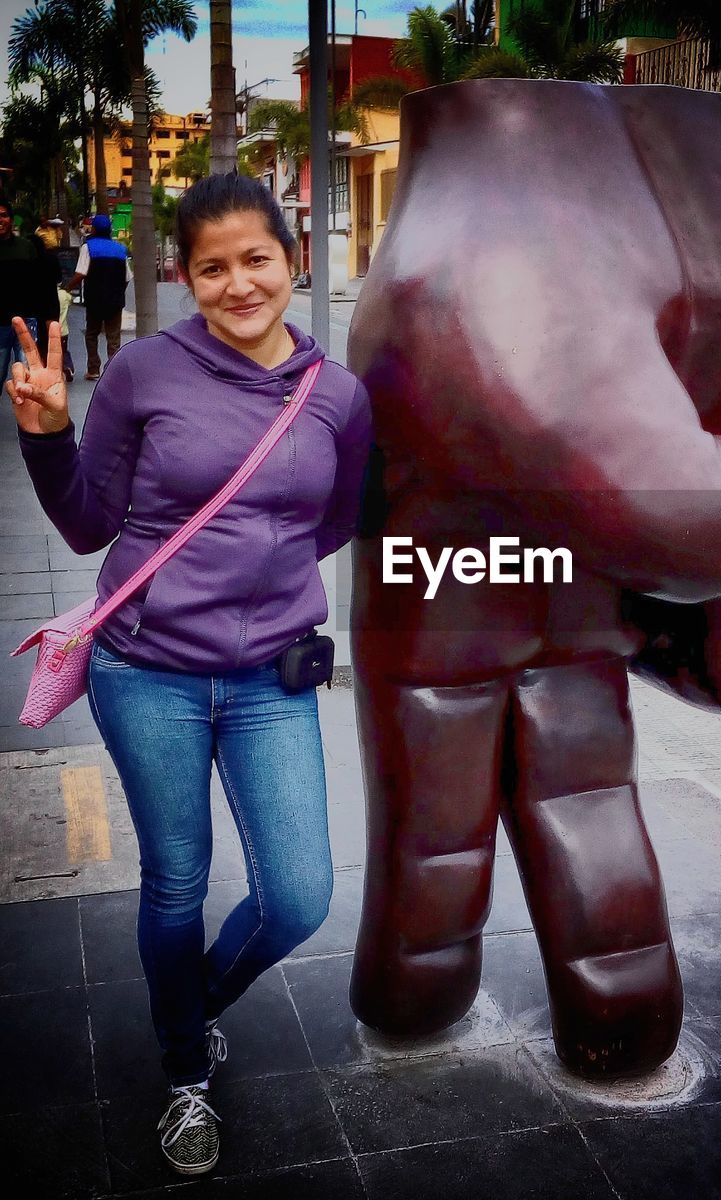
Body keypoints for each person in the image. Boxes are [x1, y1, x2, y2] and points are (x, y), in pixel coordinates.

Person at [7, 175, 371, 1176]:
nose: (238, 282)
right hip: (148, 673)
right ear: (185, 277)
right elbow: (89, 522)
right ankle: (184, 1071)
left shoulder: (337, 394)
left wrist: (265, 583)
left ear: (292, 258)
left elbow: (333, 521)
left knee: (297, 893)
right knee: (177, 877)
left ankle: (189, 1001)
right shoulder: (144, 373)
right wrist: (44, 432)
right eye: (212, 266)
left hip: (270, 678)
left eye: (257, 258)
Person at [65, 212, 132, 378]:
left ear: (94, 229)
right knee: (113, 338)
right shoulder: (120, 249)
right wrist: (118, 292)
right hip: (115, 301)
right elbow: (127, 277)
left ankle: (93, 369)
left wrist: (66, 288)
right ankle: (112, 371)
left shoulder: (88, 247)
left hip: (94, 300)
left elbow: (81, 273)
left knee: (92, 334)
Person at [0, 196, 59, 382]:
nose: (0, 220)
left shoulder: (26, 248)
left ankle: (30, 412)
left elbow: (40, 285)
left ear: (11, 219)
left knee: (29, 377)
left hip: (27, 322)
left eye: (3, 215)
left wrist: (47, 317)